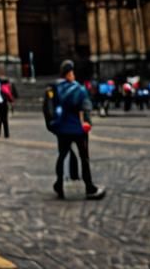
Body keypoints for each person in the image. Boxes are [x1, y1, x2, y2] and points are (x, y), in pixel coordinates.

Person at [49, 60, 105, 201]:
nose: (73, 75)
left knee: (61, 157)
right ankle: (89, 187)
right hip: (78, 130)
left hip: (62, 130)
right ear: (69, 74)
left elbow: (52, 108)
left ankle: (59, 185)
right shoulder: (79, 89)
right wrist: (87, 123)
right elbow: (86, 108)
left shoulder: (56, 88)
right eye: (72, 72)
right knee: (84, 158)